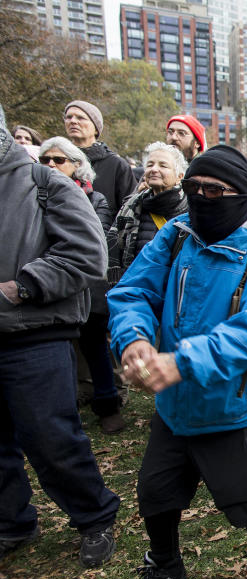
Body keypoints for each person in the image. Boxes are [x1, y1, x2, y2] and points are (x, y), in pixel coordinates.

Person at [105, 145, 247, 579]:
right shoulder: (176, 234)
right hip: (176, 401)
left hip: (236, 401)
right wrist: (134, 342)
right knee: (155, 492)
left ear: (244, 193)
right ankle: (165, 566)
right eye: (194, 189)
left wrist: (181, 362)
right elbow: (133, 291)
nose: (203, 198)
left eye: (216, 191)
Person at [0, 105, 120, 568]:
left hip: (34, 331)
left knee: (49, 435)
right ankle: (11, 521)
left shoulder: (42, 183)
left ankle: (93, 516)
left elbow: (88, 252)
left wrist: (23, 285)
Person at [37, 136, 124, 433]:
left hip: (86, 286)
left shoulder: (94, 199)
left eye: (58, 160)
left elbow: (92, 239)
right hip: (44, 287)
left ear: (77, 166)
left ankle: (108, 404)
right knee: (58, 351)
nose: (50, 165)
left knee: (94, 345)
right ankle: (62, 409)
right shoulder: (31, 197)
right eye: (45, 160)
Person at [107, 143, 188, 284]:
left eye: (163, 166)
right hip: (135, 292)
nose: (154, 169)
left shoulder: (191, 209)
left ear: (179, 176)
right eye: (150, 165)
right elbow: (113, 250)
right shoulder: (130, 206)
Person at [63, 100, 137, 216]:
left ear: (96, 128)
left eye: (80, 118)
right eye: (69, 117)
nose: (73, 121)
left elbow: (129, 209)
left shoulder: (116, 165)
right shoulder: (56, 160)